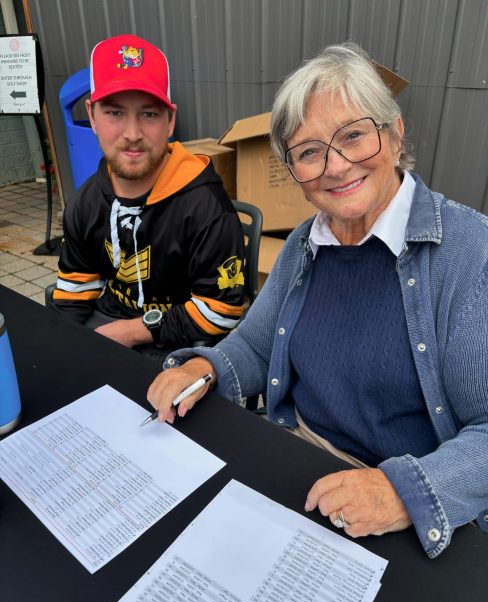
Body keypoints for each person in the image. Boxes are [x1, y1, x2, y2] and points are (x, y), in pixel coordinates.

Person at [146, 41, 488, 558]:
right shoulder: (307, 244)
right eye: (309, 152)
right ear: (296, 173)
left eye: (354, 135)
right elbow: (257, 347)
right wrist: (205, 368)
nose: (336, 165)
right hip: (300, 465)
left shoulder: (471, 256)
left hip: (402, 509)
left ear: (395, 134)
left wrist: (407, 492)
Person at [51, 34, 245, 356]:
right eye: (114, 113)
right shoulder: (85, 203)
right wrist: (66, 355)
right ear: (92, 115)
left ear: (171, 120)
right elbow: (74, 293)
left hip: (181, 341)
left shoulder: (207, 209)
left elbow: (221, 311)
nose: (132, 134)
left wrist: (131, 332)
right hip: (107, 325)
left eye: (149, 114)